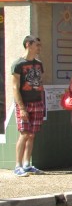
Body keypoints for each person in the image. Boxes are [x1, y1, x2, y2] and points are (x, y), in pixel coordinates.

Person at [10, 35, 45, 176]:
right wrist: (22, 107)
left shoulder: (39, 64)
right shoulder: (18, 64)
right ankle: (17, 166)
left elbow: (40, 82)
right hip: (23, 103)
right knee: (24, 134)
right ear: (28, 45)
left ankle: (27, 164)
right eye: (36, 45)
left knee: (31, 135)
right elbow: (14, 87)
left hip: (37, 102)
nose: (39, 48)